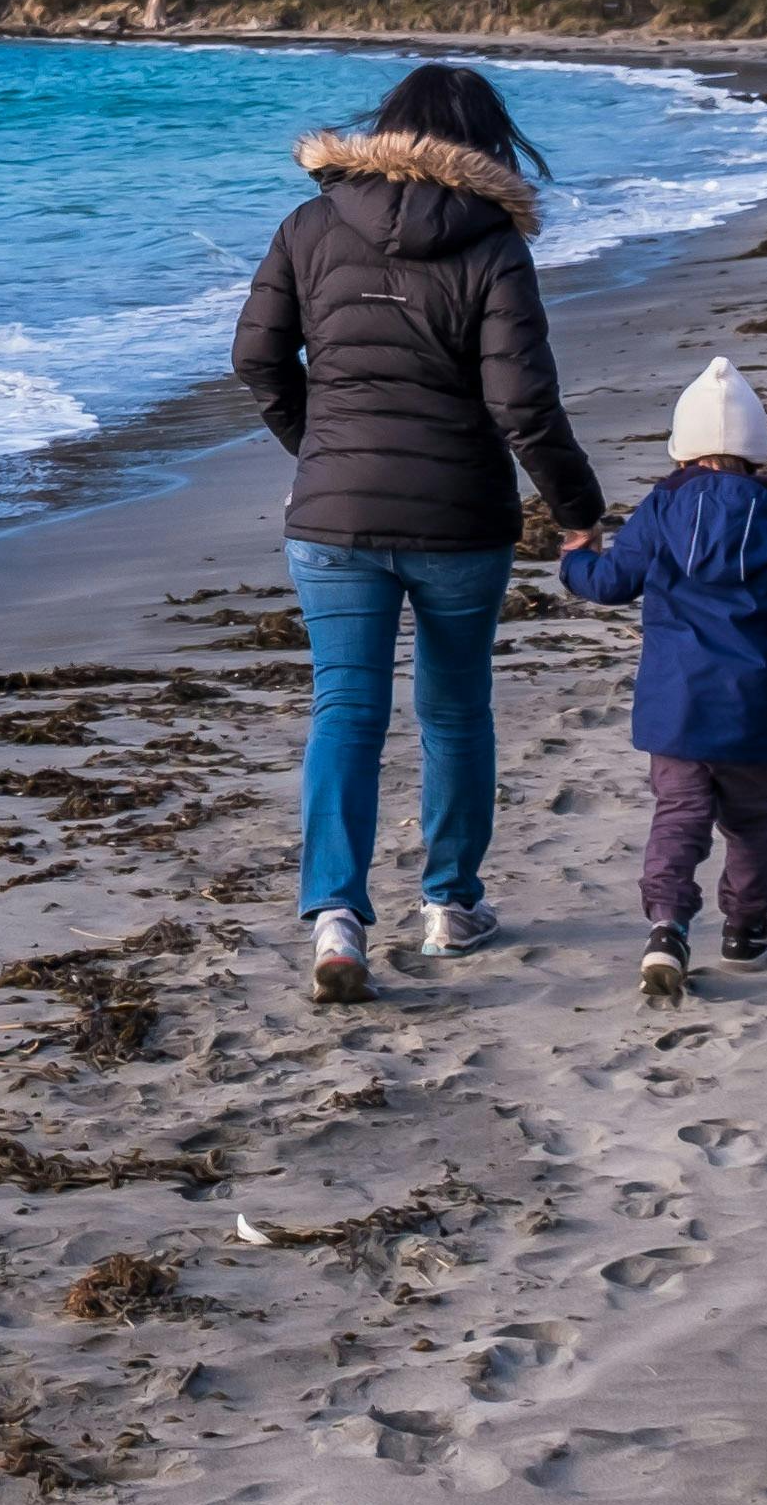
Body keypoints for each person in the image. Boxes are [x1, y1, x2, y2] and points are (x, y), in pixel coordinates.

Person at [235, 59, 607, 1005]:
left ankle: (335, 917)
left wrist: (317, 446)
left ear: (387, 126)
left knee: (345, 709)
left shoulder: (310, 226)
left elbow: (256, 359)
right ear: (485, 143)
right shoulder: (493, 245)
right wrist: (577, 514)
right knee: (453, 709)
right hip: (460, 517)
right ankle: (449, 904)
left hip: (333, 514)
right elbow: (524, 404)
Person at [558, 355, 767, 1005]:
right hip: (756, 710)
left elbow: (611, 583)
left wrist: (576, 560)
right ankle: (748, 928)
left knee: (680, 815)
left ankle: (667, 926)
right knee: (751, 822)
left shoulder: (662, 508)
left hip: (678, 709)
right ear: (756, 449)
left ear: (683, 448)